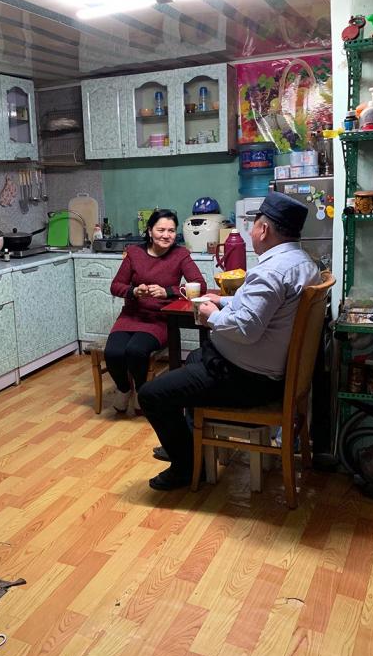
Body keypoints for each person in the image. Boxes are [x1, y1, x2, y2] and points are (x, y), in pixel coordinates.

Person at [138, 191, 321, 490]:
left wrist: (210, 315)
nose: (251, 232)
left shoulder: (271, 270)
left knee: (151, 395)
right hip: (264, 372)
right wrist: (223, 300)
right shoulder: (302, 262)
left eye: (254, 225)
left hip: (247, 380)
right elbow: (264, 308)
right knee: (196, 358)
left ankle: (185, 466)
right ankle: (187, 445)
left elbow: (246, 330)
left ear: (264, 229)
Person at [105, 209, 206, 413]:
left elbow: (200, 285)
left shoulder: (180, 255)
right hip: (132, 315)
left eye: (171, 230)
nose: (166, 235)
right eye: (161, 229)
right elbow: (115, 286)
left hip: (159, 318)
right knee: (113, 352)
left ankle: (143, 393)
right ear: (150, 231)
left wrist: (168, 292)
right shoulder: (134, 253)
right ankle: (124, 389)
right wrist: (134, 291)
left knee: (136, 350)